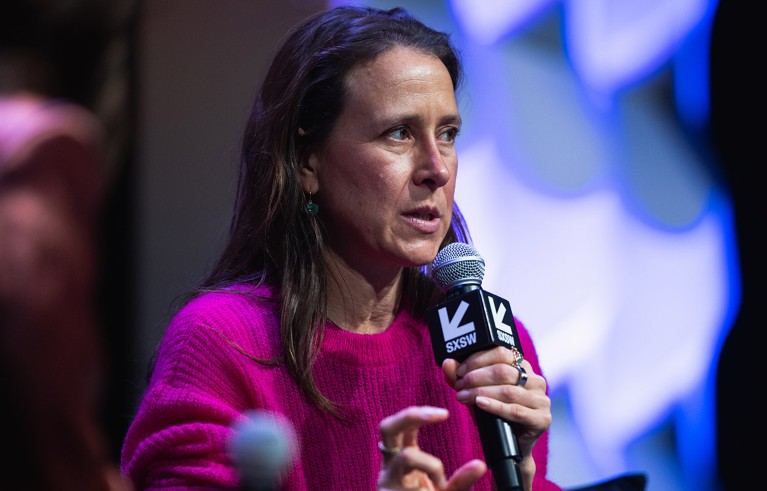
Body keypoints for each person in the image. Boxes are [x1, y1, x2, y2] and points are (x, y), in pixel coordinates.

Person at [120, 6, 561, 491]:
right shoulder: (222, 342)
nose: (436, 168)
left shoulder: (492, 346)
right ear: (308, 163)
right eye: (399, 133)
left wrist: (519, 476)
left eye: (448, 134)